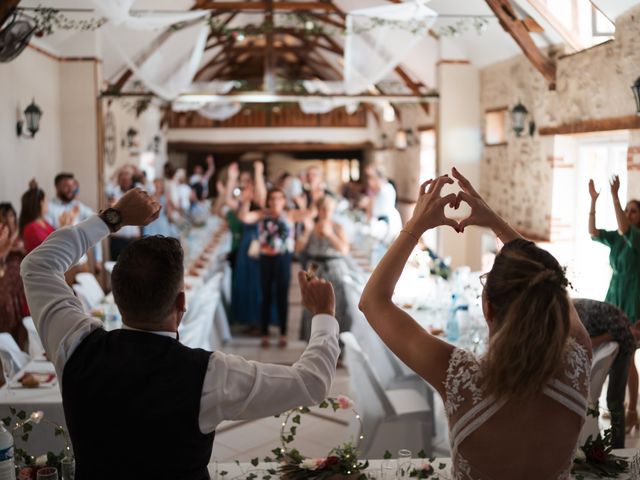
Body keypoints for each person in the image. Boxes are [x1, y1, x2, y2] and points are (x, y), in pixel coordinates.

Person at [20, 188, 340, 480]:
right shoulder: (210, 374)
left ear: (117, 298)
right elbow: (311, 382)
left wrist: (112, 218)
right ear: (181, 303)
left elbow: (37, 265)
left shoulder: (76, 346)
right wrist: (324, 315)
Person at [359, 168, 592, 479]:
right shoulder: (578, 364)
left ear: (488, 309)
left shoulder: (457, 374)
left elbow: (372, 301)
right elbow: (552, 281)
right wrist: (498, 224)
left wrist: (415, 226)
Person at [589, 175, 640, 431]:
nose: (629, 214)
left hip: (633, 301)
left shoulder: (637, 238)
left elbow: (624, 228)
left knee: (627, 355)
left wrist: (616, 196)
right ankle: (619, 406)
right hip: (614, 297)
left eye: (633, 211)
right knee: (616, 353)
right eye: (627, 211)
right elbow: (593, 232)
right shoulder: (619, 238)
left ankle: (630, 411)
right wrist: (593, 202)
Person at [239, 188, 315, 348]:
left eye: (279, 198)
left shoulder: (290, 215)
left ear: (283, 200)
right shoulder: (262, 214)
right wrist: (246, 201)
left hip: (283, 258)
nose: (275, 202)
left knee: (282, 296)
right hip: (265, 258)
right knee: (265, 295)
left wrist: (303, 203)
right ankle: (265, 333)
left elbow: (311, 213)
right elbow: (244, 217)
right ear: (268, 201)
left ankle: (283, 333)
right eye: (272, 199)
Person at [573, 298, 636, 448]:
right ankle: (600, 445)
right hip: (617, 332)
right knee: (609, 399)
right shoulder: (573, 309)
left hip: (623, 343)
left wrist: (594, 341)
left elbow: (618, 332)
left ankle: (618, 447)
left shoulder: (572, 314)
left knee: (614, 400)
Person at [297, 196, 351, 341]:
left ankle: (336, 344)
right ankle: (312, 341)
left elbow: (345, 250)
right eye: (324, 209)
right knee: (309, 300)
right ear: (318, 210)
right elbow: (298, 249)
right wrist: (307, 232)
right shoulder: (310, 226)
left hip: (334, 264)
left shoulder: (337, 227)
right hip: (313, 266)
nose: (327, 212)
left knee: (337, 302)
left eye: (330, 209)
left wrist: (330, 235)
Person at [46, 172, 103, 276]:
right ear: (57, 187)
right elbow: (49, 237)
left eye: (72, 186)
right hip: (61, 265)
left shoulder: (79, 207)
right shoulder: (49, 209)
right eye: (66, 186)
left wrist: (98, 259)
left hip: (82, 263)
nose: (71, 190)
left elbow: (96, 223)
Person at [0, 203, 27, 349]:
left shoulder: (20, 237)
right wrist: (7, 246)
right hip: (5, 289)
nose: (7, 219)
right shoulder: (3, 239)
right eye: (4, 216)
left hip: (19, 287)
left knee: (20, 328)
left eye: (10, 215)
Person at [106, 166, 141, 260]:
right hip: (116, 239)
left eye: (127, 176)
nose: (125, 179)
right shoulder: (114, 193)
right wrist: (119, 170)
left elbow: (150, 186)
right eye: (123, 176)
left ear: (131, 179)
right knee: (115, 267)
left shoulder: (138, 193)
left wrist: (135, 170)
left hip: (133, 239)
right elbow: (107, 184)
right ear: (119, 179)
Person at [19, 181, 55, 254]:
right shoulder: (31, 228)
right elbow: (48, 248)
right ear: (40, 203)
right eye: (46, 200)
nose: (47, 203)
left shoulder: (44, 222)